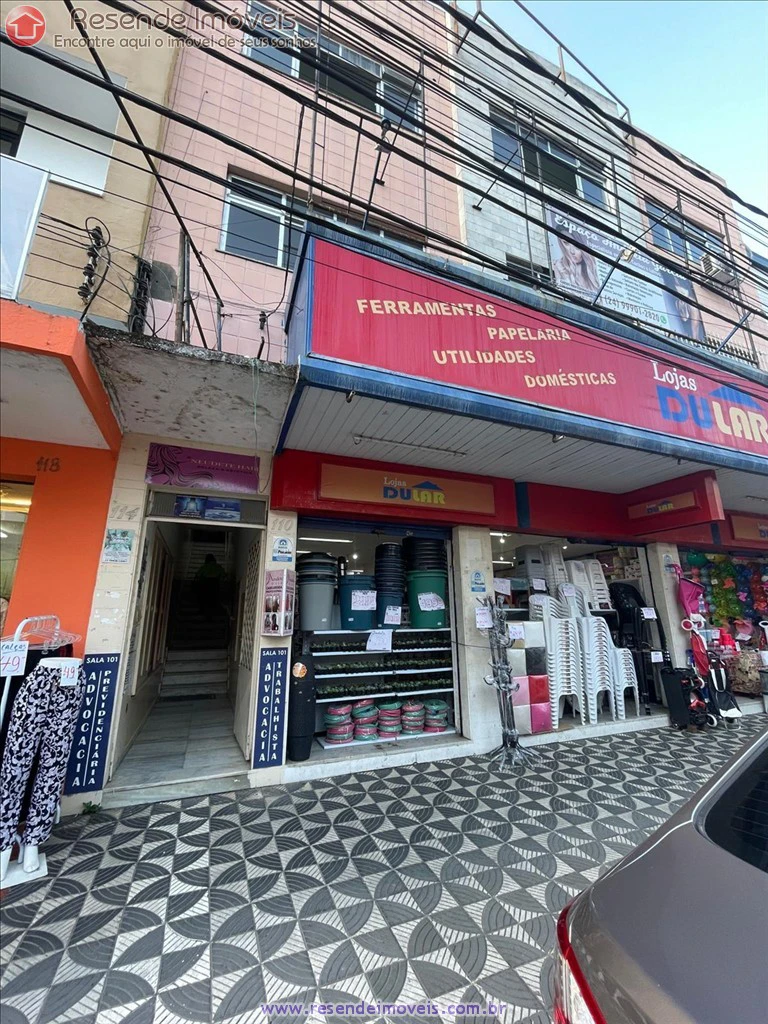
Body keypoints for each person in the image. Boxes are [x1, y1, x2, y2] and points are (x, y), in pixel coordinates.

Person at [195, 553, 226, 618]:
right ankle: (213, 613)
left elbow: (198, 575)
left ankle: (203, 612)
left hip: (205, 584)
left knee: (204, 599)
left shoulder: (204, 567)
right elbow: (223, 575)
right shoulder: (218, 567)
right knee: (214, 599)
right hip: (215, 584)